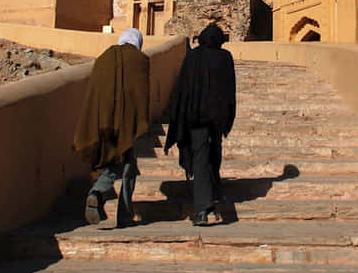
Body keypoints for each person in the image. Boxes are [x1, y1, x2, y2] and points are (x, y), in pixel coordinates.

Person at [73, 28, 149, 228]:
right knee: (127, 166)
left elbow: (95, 90)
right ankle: (107, 199)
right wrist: (140, 121)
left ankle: (100, 195)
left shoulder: (104, 57)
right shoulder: (140, 60)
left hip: (101, 120)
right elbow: (141, 93)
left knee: (110, 159)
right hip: (126, 122)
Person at [164, 24, 236, 226]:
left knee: (200, 157)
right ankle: (214, 190)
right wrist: (228, 116)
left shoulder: (193, 57)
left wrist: (179, 115)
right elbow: (230, 90)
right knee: (215, 151)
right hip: (217, 117)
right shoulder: (225, 57)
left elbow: (182, 89)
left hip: (196, 117)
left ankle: (202, 208)